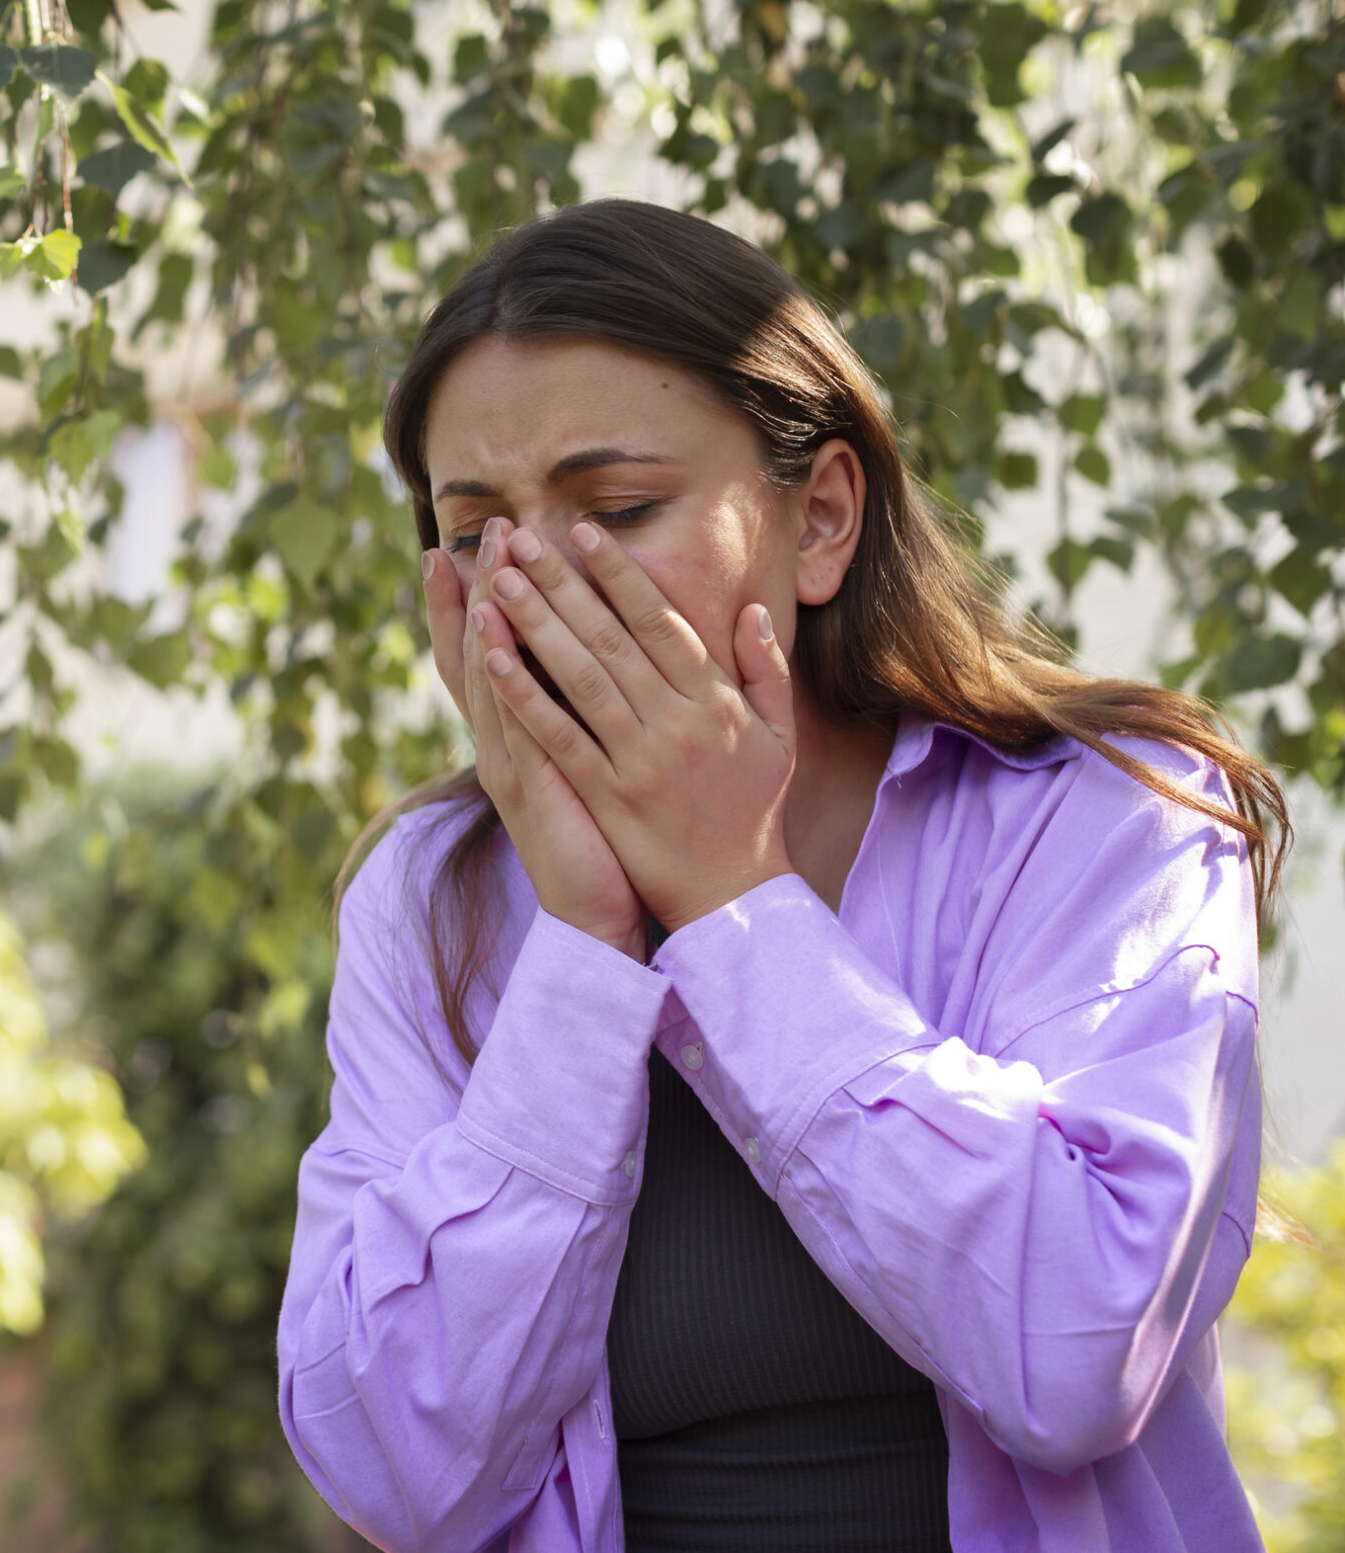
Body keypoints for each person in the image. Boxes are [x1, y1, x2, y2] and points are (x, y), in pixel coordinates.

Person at [275, 199, 1289, 1552]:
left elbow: (1085, 1344)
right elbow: (391, 1468)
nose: (532, 583)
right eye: (475, 533)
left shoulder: (1111, 818)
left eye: (618, 508)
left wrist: (735, 909)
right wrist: (583, 949)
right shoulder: (433, 896)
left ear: (820, 520)